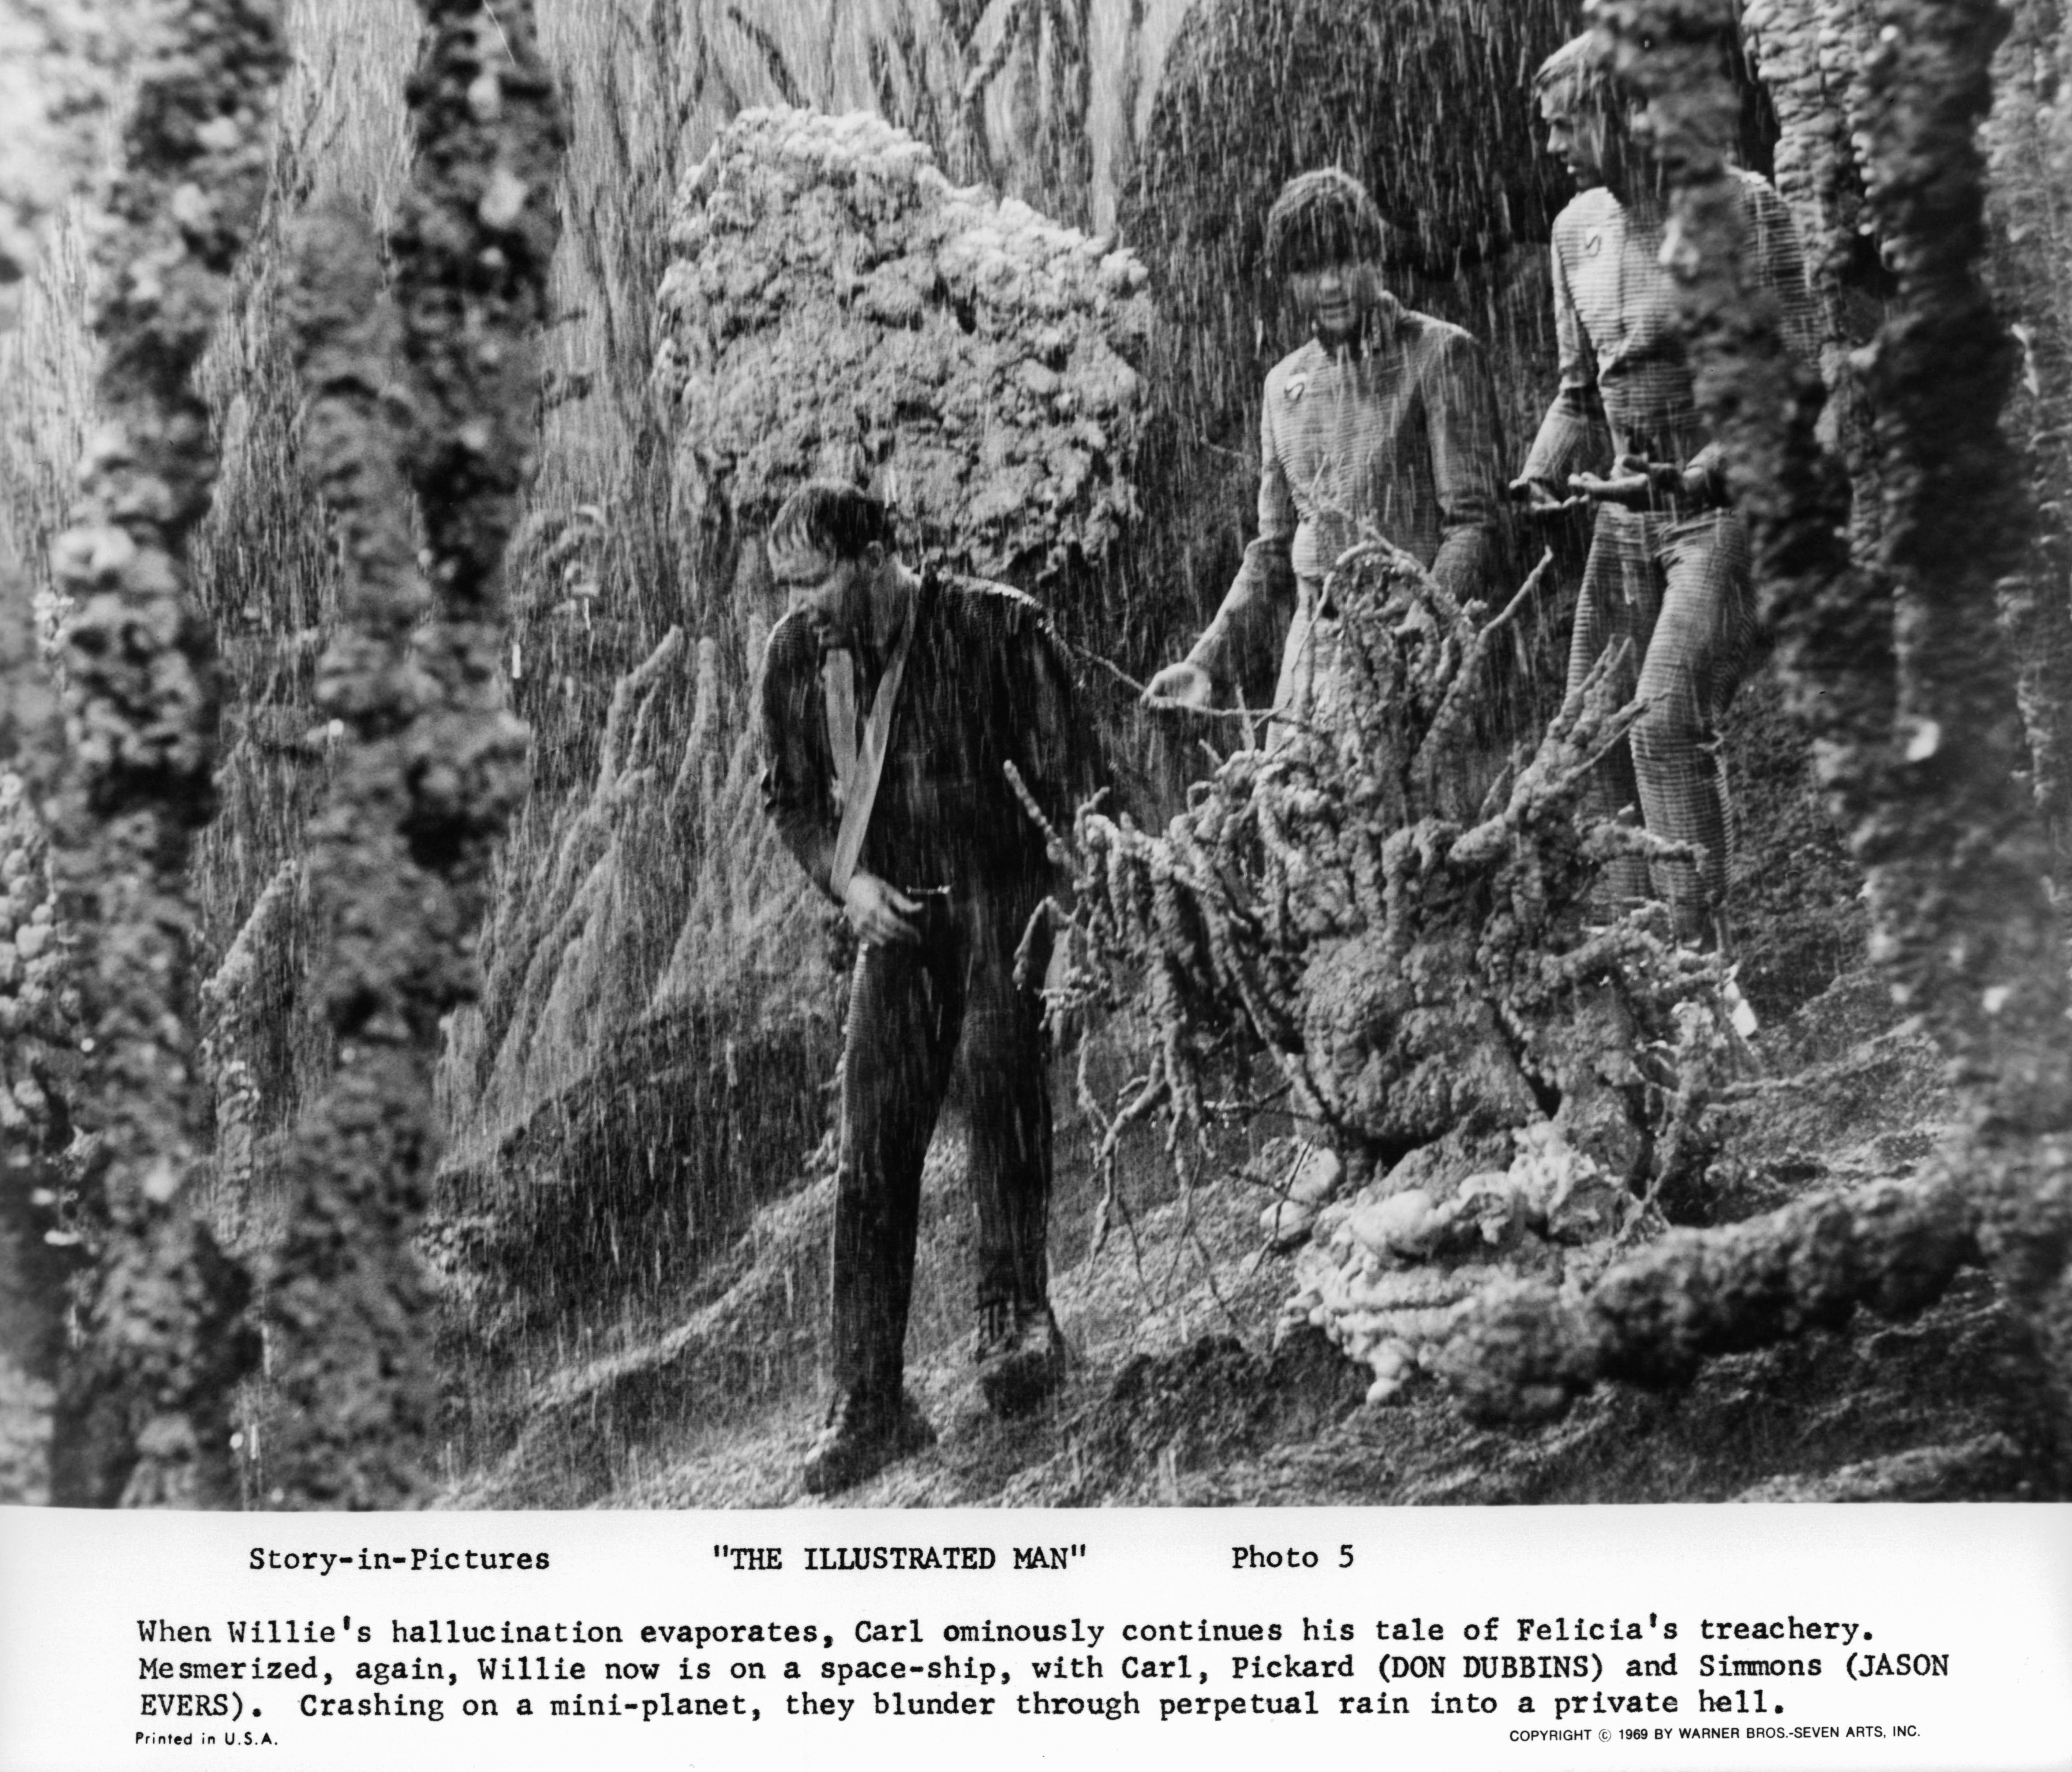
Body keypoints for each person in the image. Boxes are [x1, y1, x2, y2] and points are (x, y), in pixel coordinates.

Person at [759, 480, 1098, 1495]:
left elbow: (1077, 781)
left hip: (1002, 892)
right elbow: (791, 800)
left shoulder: (998, 628)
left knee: (1001, 1077)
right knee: (870, 1146)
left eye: (814, 581)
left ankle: (1013, 1316)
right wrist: (844, 881)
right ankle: (869, 1399)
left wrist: (1072, 910)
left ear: (873, 560)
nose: (801, 605)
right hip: (895, 916)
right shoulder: (796, 656)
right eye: (788, 585)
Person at [1511, 32, 1818, 947]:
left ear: (1624, 111)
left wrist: (1698, 469)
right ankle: (1634, 959)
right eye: (1550, 129)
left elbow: (1791, 378)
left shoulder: (1740, 207)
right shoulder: (1576, 229)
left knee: (1665, 725)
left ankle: (1701, 970)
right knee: (1587, 735)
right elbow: (1578, 392)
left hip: (1724, 509)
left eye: (1569, 124)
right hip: (1625, 517)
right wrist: (1538, 470)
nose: (1556, 145)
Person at [1142, 168, 1506, 729]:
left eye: (1343, 263)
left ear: (1374, 258)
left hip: (1410, 641)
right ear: (1287, 279)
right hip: (1309, 649)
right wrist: (1206, 658)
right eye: (1309, 269)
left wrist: (1426, 615)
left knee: (1396, 811)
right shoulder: (1282, 385)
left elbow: (1474, 522)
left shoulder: (1440, 354)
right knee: (1288, 803)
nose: (1331, 286)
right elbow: (1271, 549)